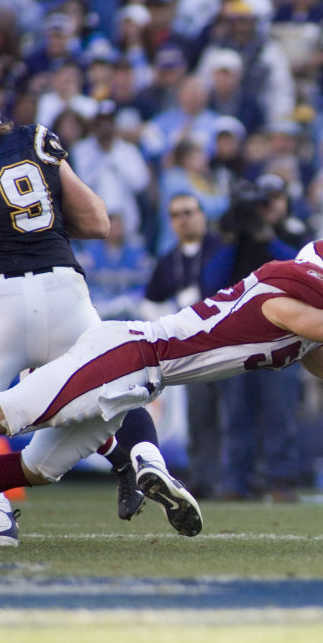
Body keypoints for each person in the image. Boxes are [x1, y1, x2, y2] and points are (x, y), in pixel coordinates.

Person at [0, 239, 323, 526]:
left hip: (142, 376)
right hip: (131, 352)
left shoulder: (299, 327)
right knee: (6, 413)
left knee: (37, 466)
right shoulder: (284, 304)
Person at [0, 74, 182, 545]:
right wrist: (32, 224)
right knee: (116, 389)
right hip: (65, 292)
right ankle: (143, 460)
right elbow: (97, 221)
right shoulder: (31, 138)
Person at [203, 175, 304, 501]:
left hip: (282, 336)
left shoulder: (295, 231)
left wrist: (267, 237)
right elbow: (210, 281)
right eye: (263, 201)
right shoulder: (233, 236)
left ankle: (282, 480)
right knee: (236, 414)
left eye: (273, 199)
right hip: (237, 339)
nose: (268, 207)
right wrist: (233, 240)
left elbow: (301, 270)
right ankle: (235, 481)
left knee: (280, 413)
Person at [143, 194, 224, 500]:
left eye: (189, 212)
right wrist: (171, 324)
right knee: (199, 415)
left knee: (233, 416)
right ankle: (204, 477)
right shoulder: (169, 260)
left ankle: (239, 479)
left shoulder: (221, 250)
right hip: (195, 350)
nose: (184, 219)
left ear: (203, 215)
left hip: (230, 342)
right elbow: (150, 301)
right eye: (176, 215)